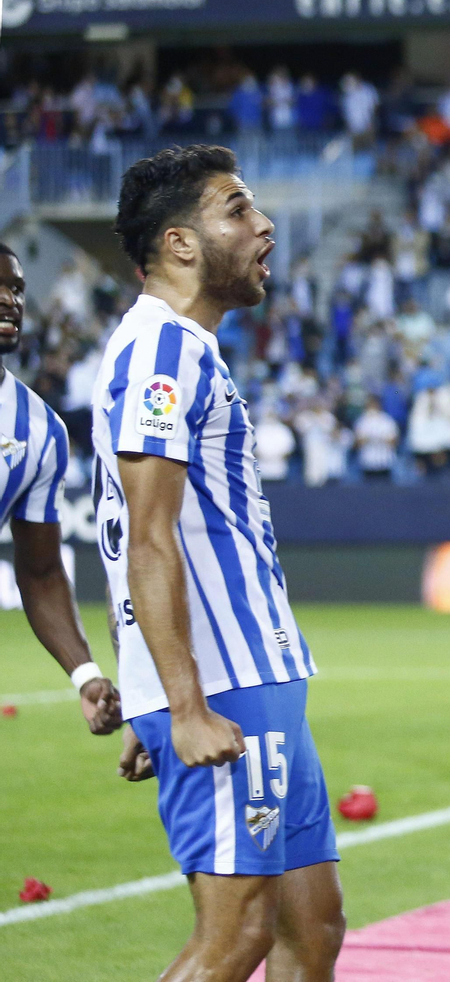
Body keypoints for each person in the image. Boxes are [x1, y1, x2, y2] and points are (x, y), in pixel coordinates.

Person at [100, 145, 344, 982]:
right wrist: (179, 704)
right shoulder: (161, 354)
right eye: (238, 210)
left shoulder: (185, 350)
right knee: (235, 937)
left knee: (313, 927)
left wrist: (153, 693)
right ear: (179, 243)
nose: (264, 225)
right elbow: (146, 536)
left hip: (256, 674)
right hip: (225, 683)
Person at [0, 242, 121, 735]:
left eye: (17, 289)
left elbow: (42, 570)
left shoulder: (41, 430)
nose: (9, 300)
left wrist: (85, 674)